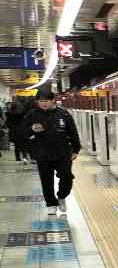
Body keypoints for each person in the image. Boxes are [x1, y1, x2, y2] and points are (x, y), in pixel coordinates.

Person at [18, 87, 80, 215]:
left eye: (46, 100)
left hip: (63, 152)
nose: (44, 103)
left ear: (53, 101)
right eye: (41, 101)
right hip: (42, 153)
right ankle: (51, 203)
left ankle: (62, 196)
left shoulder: (63, 114)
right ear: (37, 102)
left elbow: (73, 132)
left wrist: (76, 149)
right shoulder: (32, 115)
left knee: (66, 176)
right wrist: (32, 129)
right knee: (46, 180)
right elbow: (22, 132)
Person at [5, 96, 27, 163]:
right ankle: (24, 157)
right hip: (21, 131)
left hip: (13, 131)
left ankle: (18, 159)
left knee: (16, 145)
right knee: (23, 145)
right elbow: (25, 122)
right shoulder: (22, 114)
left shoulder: (9, 114)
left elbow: (7, 124)